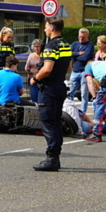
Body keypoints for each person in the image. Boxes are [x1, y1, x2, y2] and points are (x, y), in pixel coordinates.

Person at [32, 18, 72, 171]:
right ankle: (55, 156)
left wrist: (35, 78)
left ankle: (52, 159)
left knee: (48, 123)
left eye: (46, 27)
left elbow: (47, 68)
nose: (44, 29)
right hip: (60, 85)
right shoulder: (65, 44)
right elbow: (68, 67)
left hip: (48, 88)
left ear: (52, 28)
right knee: (55, 122)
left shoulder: (51, 46)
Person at [69, 28, 95, 113]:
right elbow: (69, 54)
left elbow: (86, 57)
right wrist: (79, 53)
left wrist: (75, 56)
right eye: (80, 36)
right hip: (75, 70)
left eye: (83, 37)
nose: (81, 38)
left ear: (87, 36)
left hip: (84, 71)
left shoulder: (90, 44)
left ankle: (83, 112)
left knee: (84, 93)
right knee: (70, 92)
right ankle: (70, 109)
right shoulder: (75, 44)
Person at [24, 38, 43, 104]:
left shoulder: (44, 55)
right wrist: (29, 71)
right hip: (32, 80)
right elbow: (26, 67)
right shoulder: (31, 55)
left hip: (42, 80)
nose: (36, 48)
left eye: (38, 46)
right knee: (34, 100)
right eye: (35, 46)